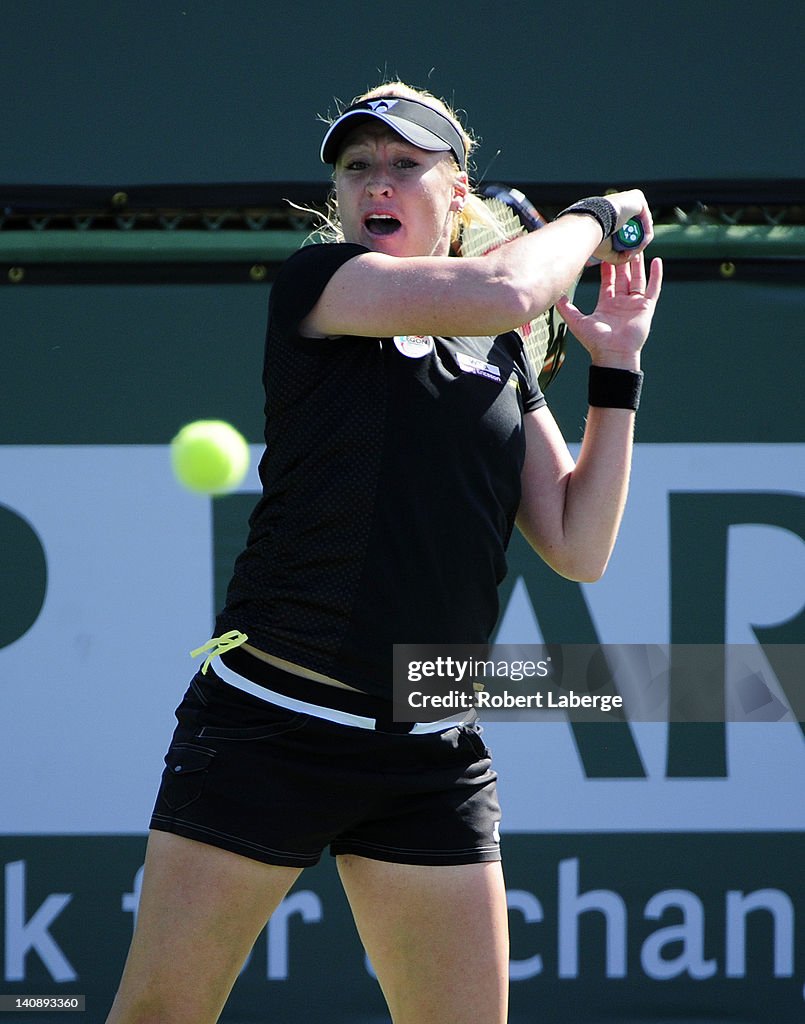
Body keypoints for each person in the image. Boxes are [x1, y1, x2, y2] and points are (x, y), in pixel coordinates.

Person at [106, 81, 662, 1024]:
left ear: (456, 196)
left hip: (429, 748)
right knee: (162, 1012)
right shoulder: (322, 283)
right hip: (269, 723)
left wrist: (616, 369)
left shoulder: (499, 354)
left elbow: (578, 544)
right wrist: (599, 218)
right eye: (358, 166)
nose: (378, 181)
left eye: (407, 164)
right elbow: (510, 285)